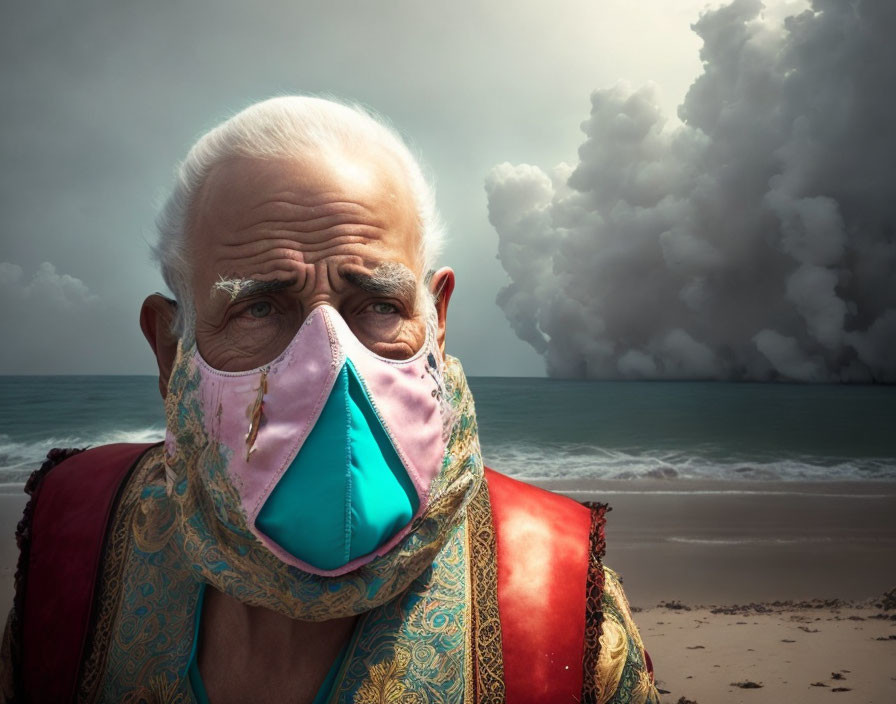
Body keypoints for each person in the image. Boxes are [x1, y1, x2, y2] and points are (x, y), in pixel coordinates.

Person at [1, 96, 659, 703]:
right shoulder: (78, 551)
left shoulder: (561, 603)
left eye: (379, 304)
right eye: (258, 307)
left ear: (437, 320)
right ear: (172, 347)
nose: (329, 364)